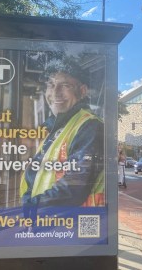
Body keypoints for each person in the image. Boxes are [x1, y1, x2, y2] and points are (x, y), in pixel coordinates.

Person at [20, 59, 105, 207]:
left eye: (65, 85)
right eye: (51, 85)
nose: (55, 92)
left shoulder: (90, 126)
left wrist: (32, 206)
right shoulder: (57, 127)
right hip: (46, 220)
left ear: (82, 91)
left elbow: (75, 185)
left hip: (71, 223)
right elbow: (35, 176)